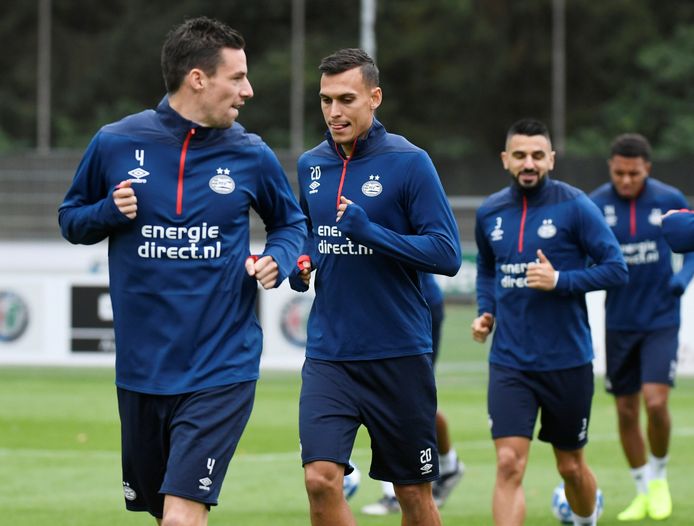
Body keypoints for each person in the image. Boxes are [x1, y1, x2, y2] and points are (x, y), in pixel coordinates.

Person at [58, 17, 306, 526]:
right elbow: (71, 220)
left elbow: (291, 224)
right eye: (237, 77)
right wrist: (107, 211)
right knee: (163, 513)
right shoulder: (114, 142)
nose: (248, 91)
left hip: (221, 365)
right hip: (141, 370)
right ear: (198, 78)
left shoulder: (250, 153)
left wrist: (278, 259)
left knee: (180, 516)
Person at [289, 48, 462, 526]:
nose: (334, 111)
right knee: (320, 480)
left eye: (346, 99)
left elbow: (446, 253)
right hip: (329, 355)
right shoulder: (311, 164)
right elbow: (309, 231)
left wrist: (371, 232)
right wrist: (301, 262)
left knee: (414, 497)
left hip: (398, 354)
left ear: (375, 97)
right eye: (326, 100)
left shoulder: (410, 162)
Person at [471, 118, 628, 526]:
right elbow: (487, 268)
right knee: (508, 462)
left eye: (538, 155)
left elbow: (616, 269)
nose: (529, 163)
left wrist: (560, 280)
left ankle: (585, 520)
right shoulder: (490, 212)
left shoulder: (575, 206)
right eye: (520, 155)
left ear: (551, 160)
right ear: (505, 159)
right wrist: (486, 310)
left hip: (567, 362)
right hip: (510, 362)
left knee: (570, 467)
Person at [589, 133, 694, 521]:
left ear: (647, 168)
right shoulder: (596, 204)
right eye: (619, 173)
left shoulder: (669, 199)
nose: (626, 180)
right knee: (626, 409)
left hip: (661, 318)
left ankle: (660, 478)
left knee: (656, 402)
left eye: (633, 173)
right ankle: (642, 488)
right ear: (611, 168)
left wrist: (683, 278)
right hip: (619, 320)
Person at [362, 273, 465, 516]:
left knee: (401, 394)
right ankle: (449, 464)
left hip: (413, 304)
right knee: (404, 396)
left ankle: (394, 491)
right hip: (385, 303)